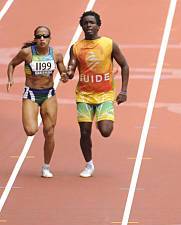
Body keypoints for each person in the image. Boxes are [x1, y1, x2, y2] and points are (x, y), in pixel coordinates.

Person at [65, 11, 129, 177]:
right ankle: (89, 164)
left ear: (98, 25)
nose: (88, 25)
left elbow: (125, 66)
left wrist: (123, 91)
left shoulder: (109, 44)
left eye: (92, 22)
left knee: (106, 131)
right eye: (85, 23)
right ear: (82, 26)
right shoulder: (76, 47)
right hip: (84, 95)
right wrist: (68, 73)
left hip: (105, 94)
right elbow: (71, 67)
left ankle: (100, 119)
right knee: (84, 133)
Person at [6, 26, 68, 178]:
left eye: (45, 36)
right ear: (35, 38)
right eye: (39, 36)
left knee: (49, 131)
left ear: (49, 38)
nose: (42, 39)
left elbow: (64, 73)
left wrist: (66, 76)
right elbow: (12, 64)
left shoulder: (56, 55)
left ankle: (46, 167)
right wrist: (11, 78)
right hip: (31, 94)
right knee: (31, 130)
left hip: (49, 95)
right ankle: (35, 116)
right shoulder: (27, 53)